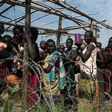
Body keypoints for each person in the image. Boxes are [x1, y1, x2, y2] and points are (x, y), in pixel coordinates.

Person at [77, 31, 99, 103]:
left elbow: (85, 58)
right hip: (85, 71)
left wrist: (79, 51)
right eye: (85, 36)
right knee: (85, 94)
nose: (86, 38)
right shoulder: (88, 45)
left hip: (89, 72)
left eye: (88, 36)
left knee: (88, 94)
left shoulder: (91, 45)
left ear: (91, 37)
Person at [42, 39, 65, 104]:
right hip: (46, 81)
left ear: (55, 47)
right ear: (46, 47)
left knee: (53, 100)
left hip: (53, 82)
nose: (50, 48)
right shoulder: (48, 55)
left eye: (52, 46)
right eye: (49, 46)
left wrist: (40, 65)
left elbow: (48, 70)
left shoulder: (55, 55)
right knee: (48, 100)